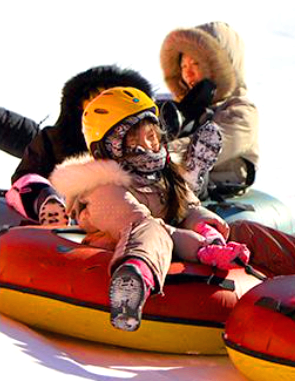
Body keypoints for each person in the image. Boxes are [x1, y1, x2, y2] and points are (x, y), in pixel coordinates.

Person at [50, 87, 248, 332]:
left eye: (151, 136)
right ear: (108, 148)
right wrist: (200, 249)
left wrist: (209, 231)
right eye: (133, 140)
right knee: (151, 230)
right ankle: (132, 285)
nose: (147, 146)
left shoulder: (163, 176)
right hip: (121, 248)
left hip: (170, 245)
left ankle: (290, 275)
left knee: (244, 230)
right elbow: (139, 223)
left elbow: (189, 208)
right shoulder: (103, 187)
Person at [6, 65, 155, 226]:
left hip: (132, 216)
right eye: (96, 98)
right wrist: (44, 196)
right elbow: (25, 178)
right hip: (67, 224)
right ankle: (52, 205)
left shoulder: (145, 142)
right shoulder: (54, 139)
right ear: (81, 104)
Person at [160, 21, 259, 199]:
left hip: (217, 191)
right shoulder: (183, 109)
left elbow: (206, 147)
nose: (188, 74)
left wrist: (158, 155)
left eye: (196, 64)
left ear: (220, 66)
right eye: (183, 67)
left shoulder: (242, 112)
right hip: (178, 186)